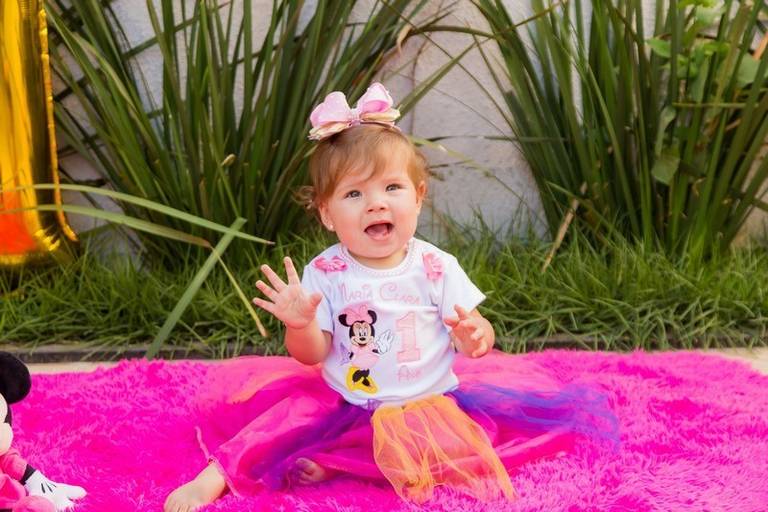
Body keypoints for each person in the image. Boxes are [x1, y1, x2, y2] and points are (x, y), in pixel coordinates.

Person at [164, 83, 617, 512]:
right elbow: (311, 355)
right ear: (326, 214)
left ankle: (338, 462)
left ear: (418, 198)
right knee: (286, 423)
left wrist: (475, 335)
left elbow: (476, 332)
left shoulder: (435, 265)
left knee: (443, 450)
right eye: (354, 193)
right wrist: (299, 324)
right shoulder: (326, 272)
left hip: (428, 404)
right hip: (347, 402)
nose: (376, 204)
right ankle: (216, 476)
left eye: (392, 188)